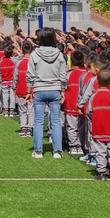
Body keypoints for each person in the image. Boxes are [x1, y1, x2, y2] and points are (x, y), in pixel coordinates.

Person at [27, 27, 67, 159]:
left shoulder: (34, 54)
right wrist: (63, 90)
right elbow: (63, 74)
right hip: (55, 89)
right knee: (55, 121)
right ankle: (57, 151)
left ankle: (38, 150)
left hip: (39, 89)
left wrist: (29, 90)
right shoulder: (59, 54)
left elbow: (30, 75)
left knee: (38, 121)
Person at [87, 68, 110, 180]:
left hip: (98, 129)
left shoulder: (93, 97)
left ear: (97, 81)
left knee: (100, 151)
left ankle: (101, 172)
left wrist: (95, 119)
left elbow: (89, 112)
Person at [62, 50, 85, 154]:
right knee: (80, 127)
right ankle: (79, 145)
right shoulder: (86, 74)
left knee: (71, 127)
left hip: (70, 104)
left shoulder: (68, 74)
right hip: (82, 105)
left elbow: (63, 89)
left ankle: (73, 145)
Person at [14, 41, 34, 137]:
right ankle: (29, 128)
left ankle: (23, 128)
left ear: (22, 50)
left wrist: (14, 88)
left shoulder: (19, 63)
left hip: (20, 90)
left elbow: (15, 77)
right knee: (31, 110)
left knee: (22, 110)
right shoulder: (34, 63)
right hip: (32, 91)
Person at [0, 45, 16, 117]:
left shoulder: (1, 62)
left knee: (5, 96)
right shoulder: (13, 61)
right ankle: (11, 111)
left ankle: (5, 111)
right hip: (12, 81)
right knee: (12, 96)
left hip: (4, 81)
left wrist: (0, 80)